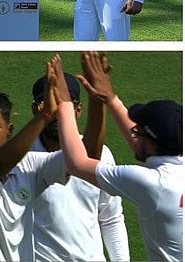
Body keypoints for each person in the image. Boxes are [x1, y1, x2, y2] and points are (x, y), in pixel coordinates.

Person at [0, 68, 105, 261]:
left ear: (9, 130)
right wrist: (43, 117)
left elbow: (86, 157)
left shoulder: (30, 165)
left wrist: (97, 100)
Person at [48, 52, 183, 261]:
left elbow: (76, 163)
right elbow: (144, 146)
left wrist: (64, 101)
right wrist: (110, 98)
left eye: (139, 131)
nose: (134, 133)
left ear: (152, 142)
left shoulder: (152, 184)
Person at [27, 73, 129, 261]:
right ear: (36, 110)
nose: (57, 114)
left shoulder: (103, 154)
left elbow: (110, 218)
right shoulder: (21, 160)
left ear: (78, 110)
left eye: (64, 105)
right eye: (47, 104)